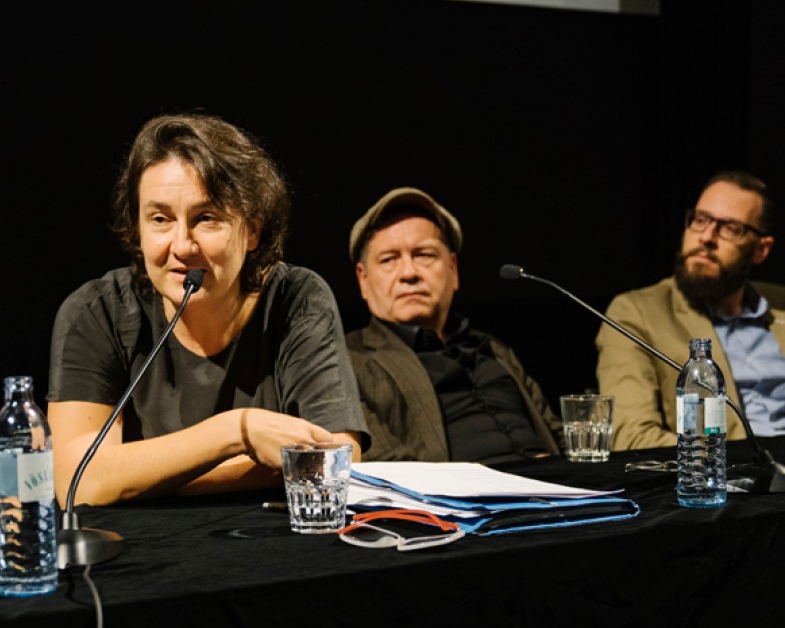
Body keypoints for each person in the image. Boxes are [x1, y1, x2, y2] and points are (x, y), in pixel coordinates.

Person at [47, 113, 365, 506]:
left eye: (207, 219)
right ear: (138, 228)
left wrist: (140, 478)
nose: (182, 245)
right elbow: (77, 483)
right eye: (160, 219)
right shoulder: (97, 311)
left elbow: (333, 460)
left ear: (252, 231)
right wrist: (236, 432)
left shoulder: (297, 299)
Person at [345, 187, 560, 462]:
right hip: (456, 501)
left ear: (453, 269)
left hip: (556, 491)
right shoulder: (349, 361)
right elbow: (386, 463)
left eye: (424, 255)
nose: (409, 273)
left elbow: (558, 435)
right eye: (389, 259)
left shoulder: (495, 349)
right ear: (363, 280)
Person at [597, 170, 785, 450]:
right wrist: (734, 463)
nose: (706, 237)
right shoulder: (637, 312)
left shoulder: (779, 303)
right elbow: (632, 437)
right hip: (728, 481)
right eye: (700, 220)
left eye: (730, 228)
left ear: (761, 249)